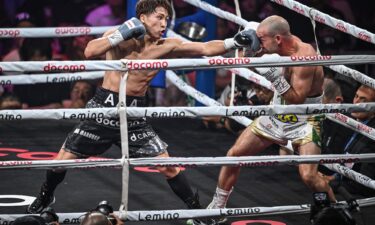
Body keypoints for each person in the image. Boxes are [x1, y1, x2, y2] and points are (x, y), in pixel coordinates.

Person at [27, 1, 259, 225]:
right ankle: (46, 196)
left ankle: (198, 211)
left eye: (166, 19)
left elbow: (206, 48)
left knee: (168, 166)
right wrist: (120, 34)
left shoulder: (166, 45)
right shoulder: (118, 36)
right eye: (159, 17)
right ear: (143, 18)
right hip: (103, 110)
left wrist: (234, 41)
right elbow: (90, 51)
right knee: (61, 162)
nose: (164, 23)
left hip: (134, 115)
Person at [207, 15, 336, 217]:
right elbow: (245, 56)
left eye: (262, 39)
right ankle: (217, 207)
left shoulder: (305, 57)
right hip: (277, 114)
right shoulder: (275, 47)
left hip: (305, 120)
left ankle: (335, 211)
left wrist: (274, 77)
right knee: (234, 156)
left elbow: (297, 98)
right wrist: (249, 50)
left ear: (278, 39)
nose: (260, 43)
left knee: (309, 176)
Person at [323, 85, 375, 197]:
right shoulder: (349, 122)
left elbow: (365, 185)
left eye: (363, 100)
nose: (356, 102)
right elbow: (343, 161)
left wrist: (332, 183)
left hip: (358, 195)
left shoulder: (372, 136)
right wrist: (332, 177)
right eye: (356, 96)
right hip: (343, 181)